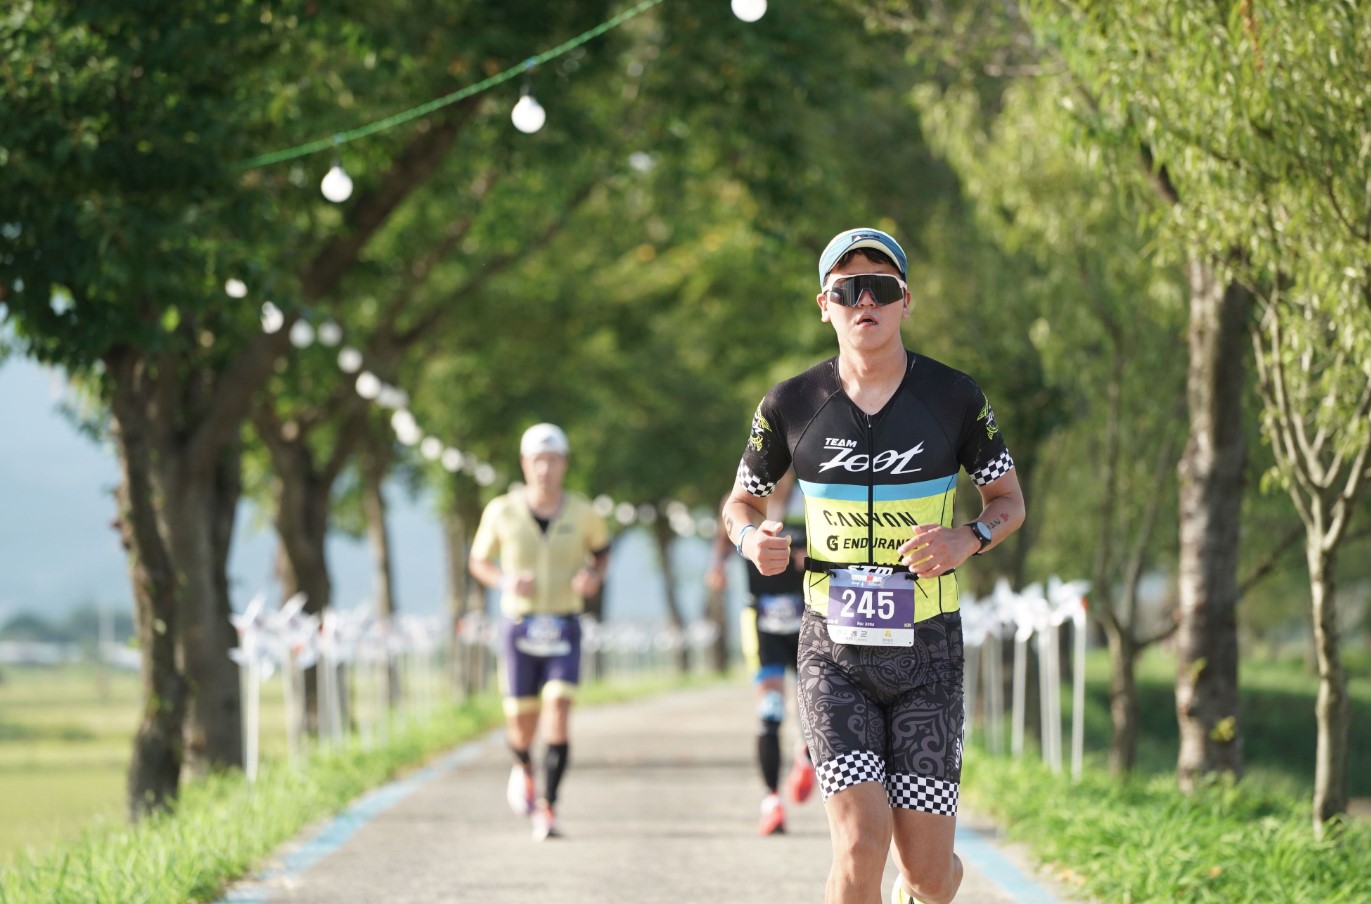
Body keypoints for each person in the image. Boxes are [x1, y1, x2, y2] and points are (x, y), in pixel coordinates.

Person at [721, 227, 1025, 904]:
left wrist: (967, 537)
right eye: (847, 290)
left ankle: (924, 884)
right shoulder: (790, 404)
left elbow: (1007, 502)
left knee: (927, 875)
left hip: (928, 658)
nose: (865, 302)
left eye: (880, 288)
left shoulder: (953, 397)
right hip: (833, 657)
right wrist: (750, 541)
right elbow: (739, 503)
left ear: (904, 302)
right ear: (823, 305)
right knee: (859, 844)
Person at [469, 422, 610, 842]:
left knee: (559, 713)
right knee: (521, 725)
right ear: (524, 464)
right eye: (536, 461)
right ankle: (524, 768)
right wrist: (504, 581)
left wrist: (591, 578)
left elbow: (601, 555)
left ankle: (548, 808)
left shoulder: (584, 512)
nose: (544, 470)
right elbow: (479, 561)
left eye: (552, 460)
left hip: (564, 625)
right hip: (519, 626)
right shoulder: (501, 510)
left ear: (564, 464)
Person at [707, 470, 817, 836]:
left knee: (814, 708)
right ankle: (771, 801)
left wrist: (811, 559)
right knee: (769, 708)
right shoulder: (744, 497)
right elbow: (725, 532)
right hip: (762, 616)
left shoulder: (812, 495)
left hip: (809, 614)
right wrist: (718, 567)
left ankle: (807, 755)